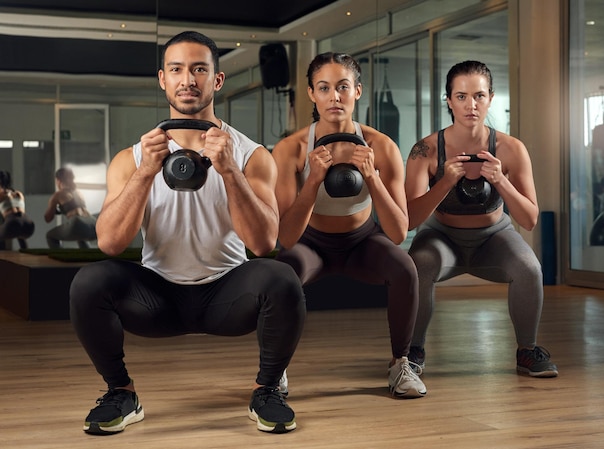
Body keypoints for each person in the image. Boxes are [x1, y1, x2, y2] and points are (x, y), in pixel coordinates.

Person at [69, 31, 306, 436]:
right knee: (89, 281)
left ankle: (267, 390)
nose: (188, 80)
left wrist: (229, 169)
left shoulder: (250, 155)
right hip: (157, 298)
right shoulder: (133, 158)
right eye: (177, 69)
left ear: (217, 80)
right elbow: (110, 243)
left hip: (228, 296)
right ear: (163, 79)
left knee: (281, 277)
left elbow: (264, 243)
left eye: (199, 69)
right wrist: (146, 172)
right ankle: (121, 393)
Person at [272, 52, 426, 398]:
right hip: (310, 243)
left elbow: (399, 232)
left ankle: (401, 364)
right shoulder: (290, 149)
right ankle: (274, 369)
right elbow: (285, 236)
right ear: (312, 94)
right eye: (324, 88)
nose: (334, 97)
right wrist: (312, 181)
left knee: (405, 267)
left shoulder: (381, 146)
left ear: (358, 91)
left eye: (343, 87)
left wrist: (371, 176)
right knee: (281, 274)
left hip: (362, 242)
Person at [404, 60, 558, 378]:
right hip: (441, 238)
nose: (470, 105)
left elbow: (529, 220)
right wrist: (445, 182)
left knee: (529, 268)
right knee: (417, 265)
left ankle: (527, 350)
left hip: (494, 238)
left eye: (478, 96)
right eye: (461, 96)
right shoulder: (425, 149)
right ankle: (413, 350)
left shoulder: (511, 149)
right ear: (448, 100)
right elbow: (409, 220)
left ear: (490, 98)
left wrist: (500, 180)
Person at [44, 167, 97, 249]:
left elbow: (48, 218)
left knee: (50, 236)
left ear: (58, 180)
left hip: (79, 224)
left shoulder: (58, 194)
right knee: (81, 237)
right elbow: (75, 207)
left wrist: (52, 207)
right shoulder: (79, 192)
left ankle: (60, 259)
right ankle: (87, 256)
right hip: (94, 224)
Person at [0, 170, 35, 250]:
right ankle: (25, 250)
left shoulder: (1, 194)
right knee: (18, 227)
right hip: (28, 225)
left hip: (12, 224)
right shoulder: (18, 193)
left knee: (14, 224)